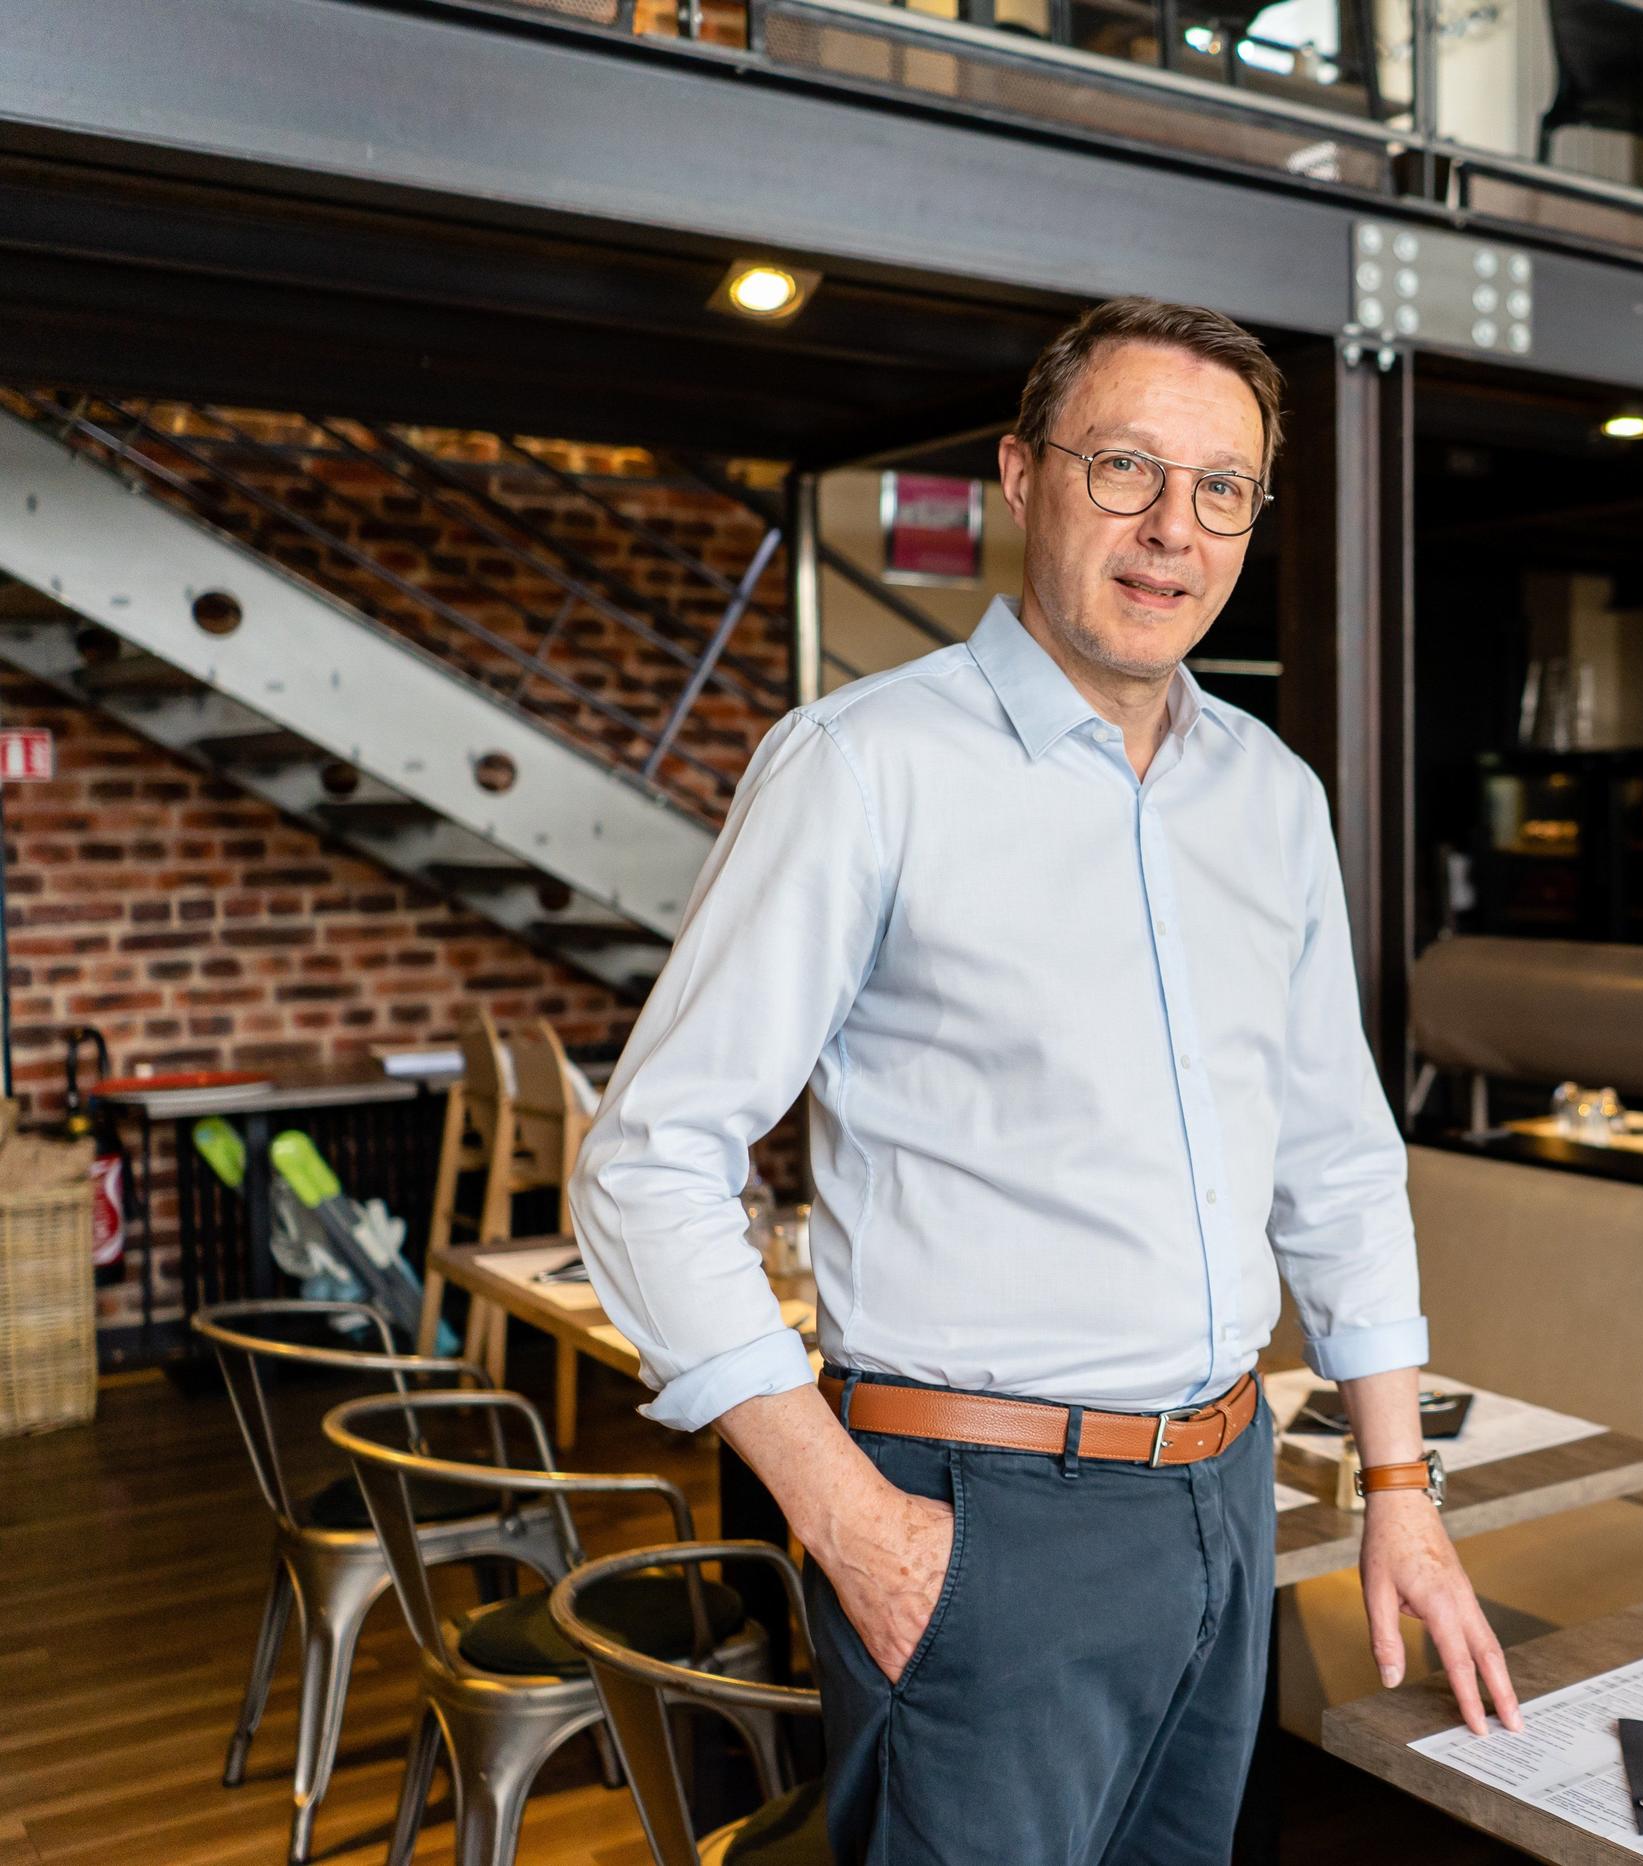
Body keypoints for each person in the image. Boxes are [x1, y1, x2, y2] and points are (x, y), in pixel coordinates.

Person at [569, 296, 1519, 1866]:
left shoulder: (1271, 798)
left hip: (1230, 1489)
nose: (1172, 528)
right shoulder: (866, 766)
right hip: (975, 1519)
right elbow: (649, 1161)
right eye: (1124, 466)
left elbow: (1339, 1163)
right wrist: (847, 1516)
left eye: (1222, 488)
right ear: (1023, 476)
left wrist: (1398, 1480)